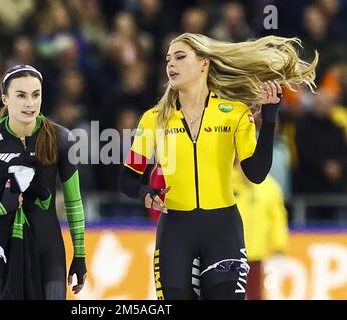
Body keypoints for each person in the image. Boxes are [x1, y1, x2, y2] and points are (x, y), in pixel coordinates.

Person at [119, 33, 317, 300]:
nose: (170, 65)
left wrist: (269, 120)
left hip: (224, 232)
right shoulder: (154, 119)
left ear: (204, 64)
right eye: (168, 59)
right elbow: (127, 179)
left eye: (180, 57)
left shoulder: (234, 113)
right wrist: (146, 193)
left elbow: (256, 174)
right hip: (175, 231)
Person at [0, 64, 87, 300]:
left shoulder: (62, 139)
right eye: (21, 95)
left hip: (49, 253)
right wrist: (0, 208)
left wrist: (80, 254)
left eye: (36, 95)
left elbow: (74, 202)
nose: (30, 103)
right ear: (5, 99)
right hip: (2, 251)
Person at [232, 161, 289, 300]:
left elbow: (277, 218)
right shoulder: (226, 182)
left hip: (255, 254)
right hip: (229, 253)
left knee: (254, 295)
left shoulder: (270, 187)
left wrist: (279, 246)